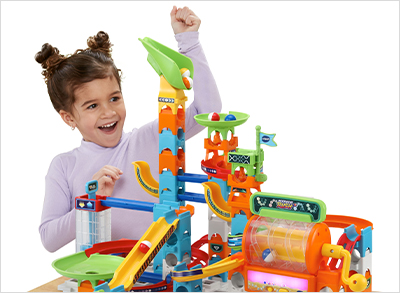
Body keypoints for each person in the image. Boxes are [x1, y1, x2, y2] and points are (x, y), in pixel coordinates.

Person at [36, 6, 222, 252]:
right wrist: (92, 199)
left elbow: (208, 112)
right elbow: (49, 238)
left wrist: (189, 42)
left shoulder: (151, 138)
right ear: (68, 117)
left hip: (161, 277)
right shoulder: (64, 166)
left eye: (114, 98)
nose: (108, 112)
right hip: (102, 281)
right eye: (92, 105)